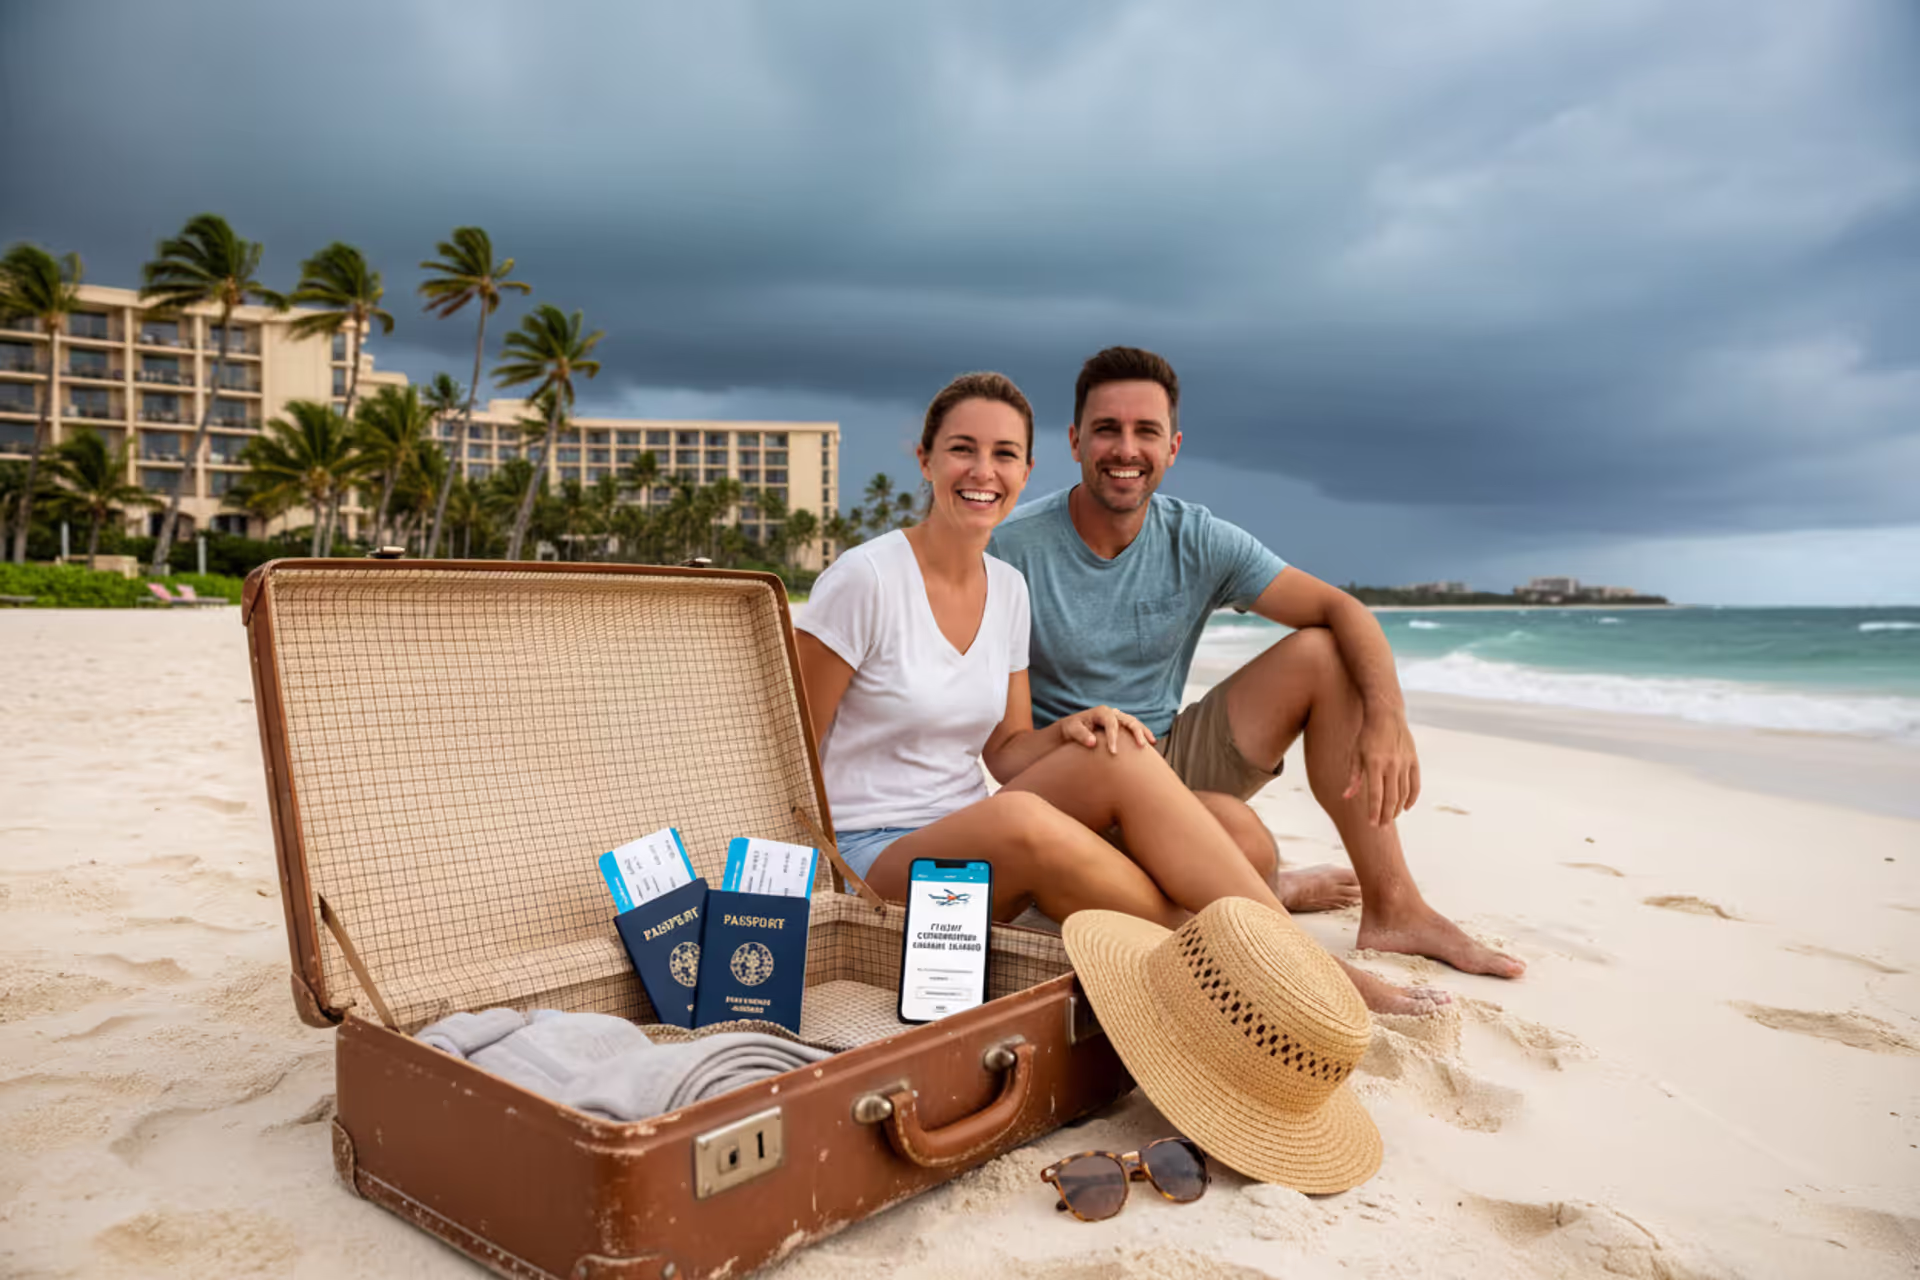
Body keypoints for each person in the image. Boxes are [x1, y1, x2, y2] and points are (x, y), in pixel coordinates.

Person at [795, 371, 1446, 1015]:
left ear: (1027, 470)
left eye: (1004, 454)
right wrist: (803, 901)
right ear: (925, 459)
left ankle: (1264, 944)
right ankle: (1296, 964)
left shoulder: (1007, 588)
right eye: (963, 448)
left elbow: (1007, 753)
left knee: (1116, 747)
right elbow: (782, 760)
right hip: (871, 860)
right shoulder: (866, 579)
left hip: (966, 833)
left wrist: (1075, 728)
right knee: (1025, 822)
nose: (982, 471)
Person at [988, 347, 1525, 980]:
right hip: (1075, 777)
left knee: (1324, 652)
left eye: (1146, 432)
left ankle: (1395, 909)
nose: (1125, 449)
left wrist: (1388, 718)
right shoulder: (1012, 547)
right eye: (1107, 429)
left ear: (1174, 446)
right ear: (1076, 440)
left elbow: (1341, 607)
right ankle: (1270, 895)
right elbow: (1004, 743)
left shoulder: (1197, 536)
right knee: (1243, 841)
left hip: (1168, 753)